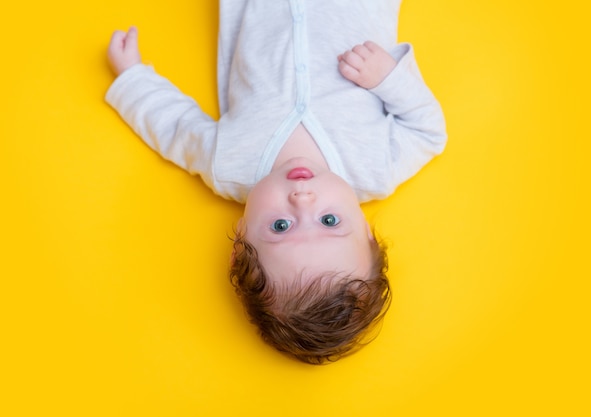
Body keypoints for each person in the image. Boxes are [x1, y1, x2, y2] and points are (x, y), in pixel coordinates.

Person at [106, 0, 446, 364]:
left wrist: (132, 79)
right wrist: (389, 80)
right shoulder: (375, 168)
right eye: (329, 221)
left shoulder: (229, 165)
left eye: (281, 226)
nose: (303, 199)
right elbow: (428, 133)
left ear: (241, 238)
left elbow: (175, 128)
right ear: (365, 229)